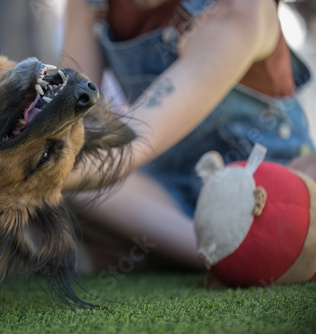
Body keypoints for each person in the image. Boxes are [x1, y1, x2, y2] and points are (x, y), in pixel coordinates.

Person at [61, 0, 316, 270]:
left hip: (268, 189)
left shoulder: (242, 8)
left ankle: (219, 254)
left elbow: (128, 146)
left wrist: (31, 167)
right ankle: (226, 255)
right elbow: (75, 127)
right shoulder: (87, 5)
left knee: (56, 176)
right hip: (168, 193)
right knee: (65, 189)